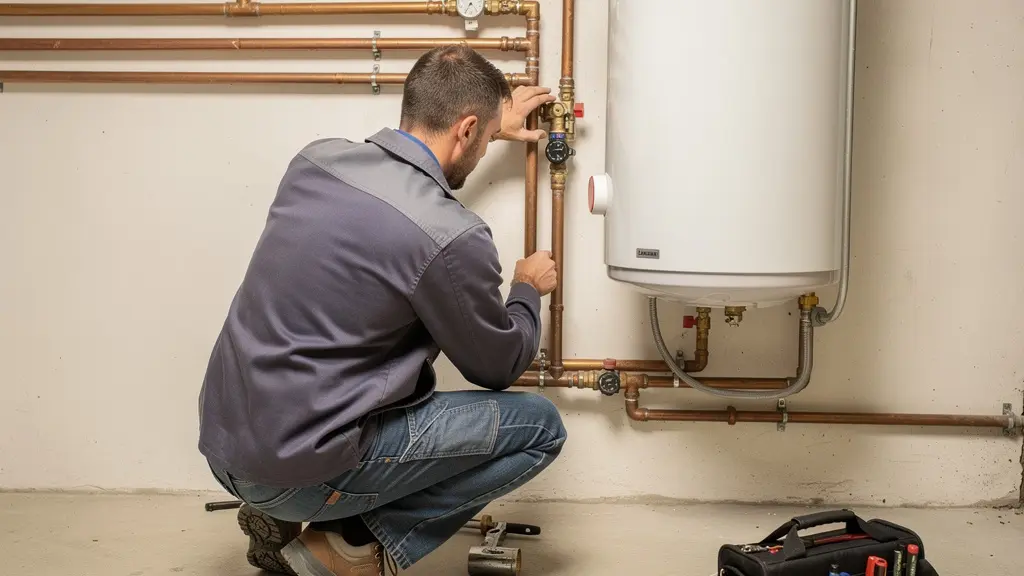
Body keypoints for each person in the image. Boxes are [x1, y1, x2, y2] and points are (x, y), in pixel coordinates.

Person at [198, 45, 567, 576]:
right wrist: (527, 290)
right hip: (295, 470)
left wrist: (487, 122)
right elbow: (497, 366)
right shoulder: (451, 234)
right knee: (541, 428)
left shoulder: (315, 161)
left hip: (228, 447)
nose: (487, 146)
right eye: (485, 138)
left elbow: (409, 188)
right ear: (466, 130)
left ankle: (277, 509)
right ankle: (348, 545)